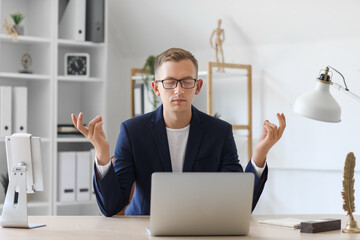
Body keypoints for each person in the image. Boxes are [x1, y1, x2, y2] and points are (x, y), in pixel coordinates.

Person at [72, 48, 286, 216]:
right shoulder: (133, 131)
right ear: (156, 88)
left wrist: (259, 156)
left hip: (201, 231)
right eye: (170, 82)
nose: (179, 90)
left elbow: (238, 204)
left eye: (186, 82)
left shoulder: (219, 132)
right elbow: (111, 207)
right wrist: (101, 153)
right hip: (144, 230)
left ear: (198, 86)